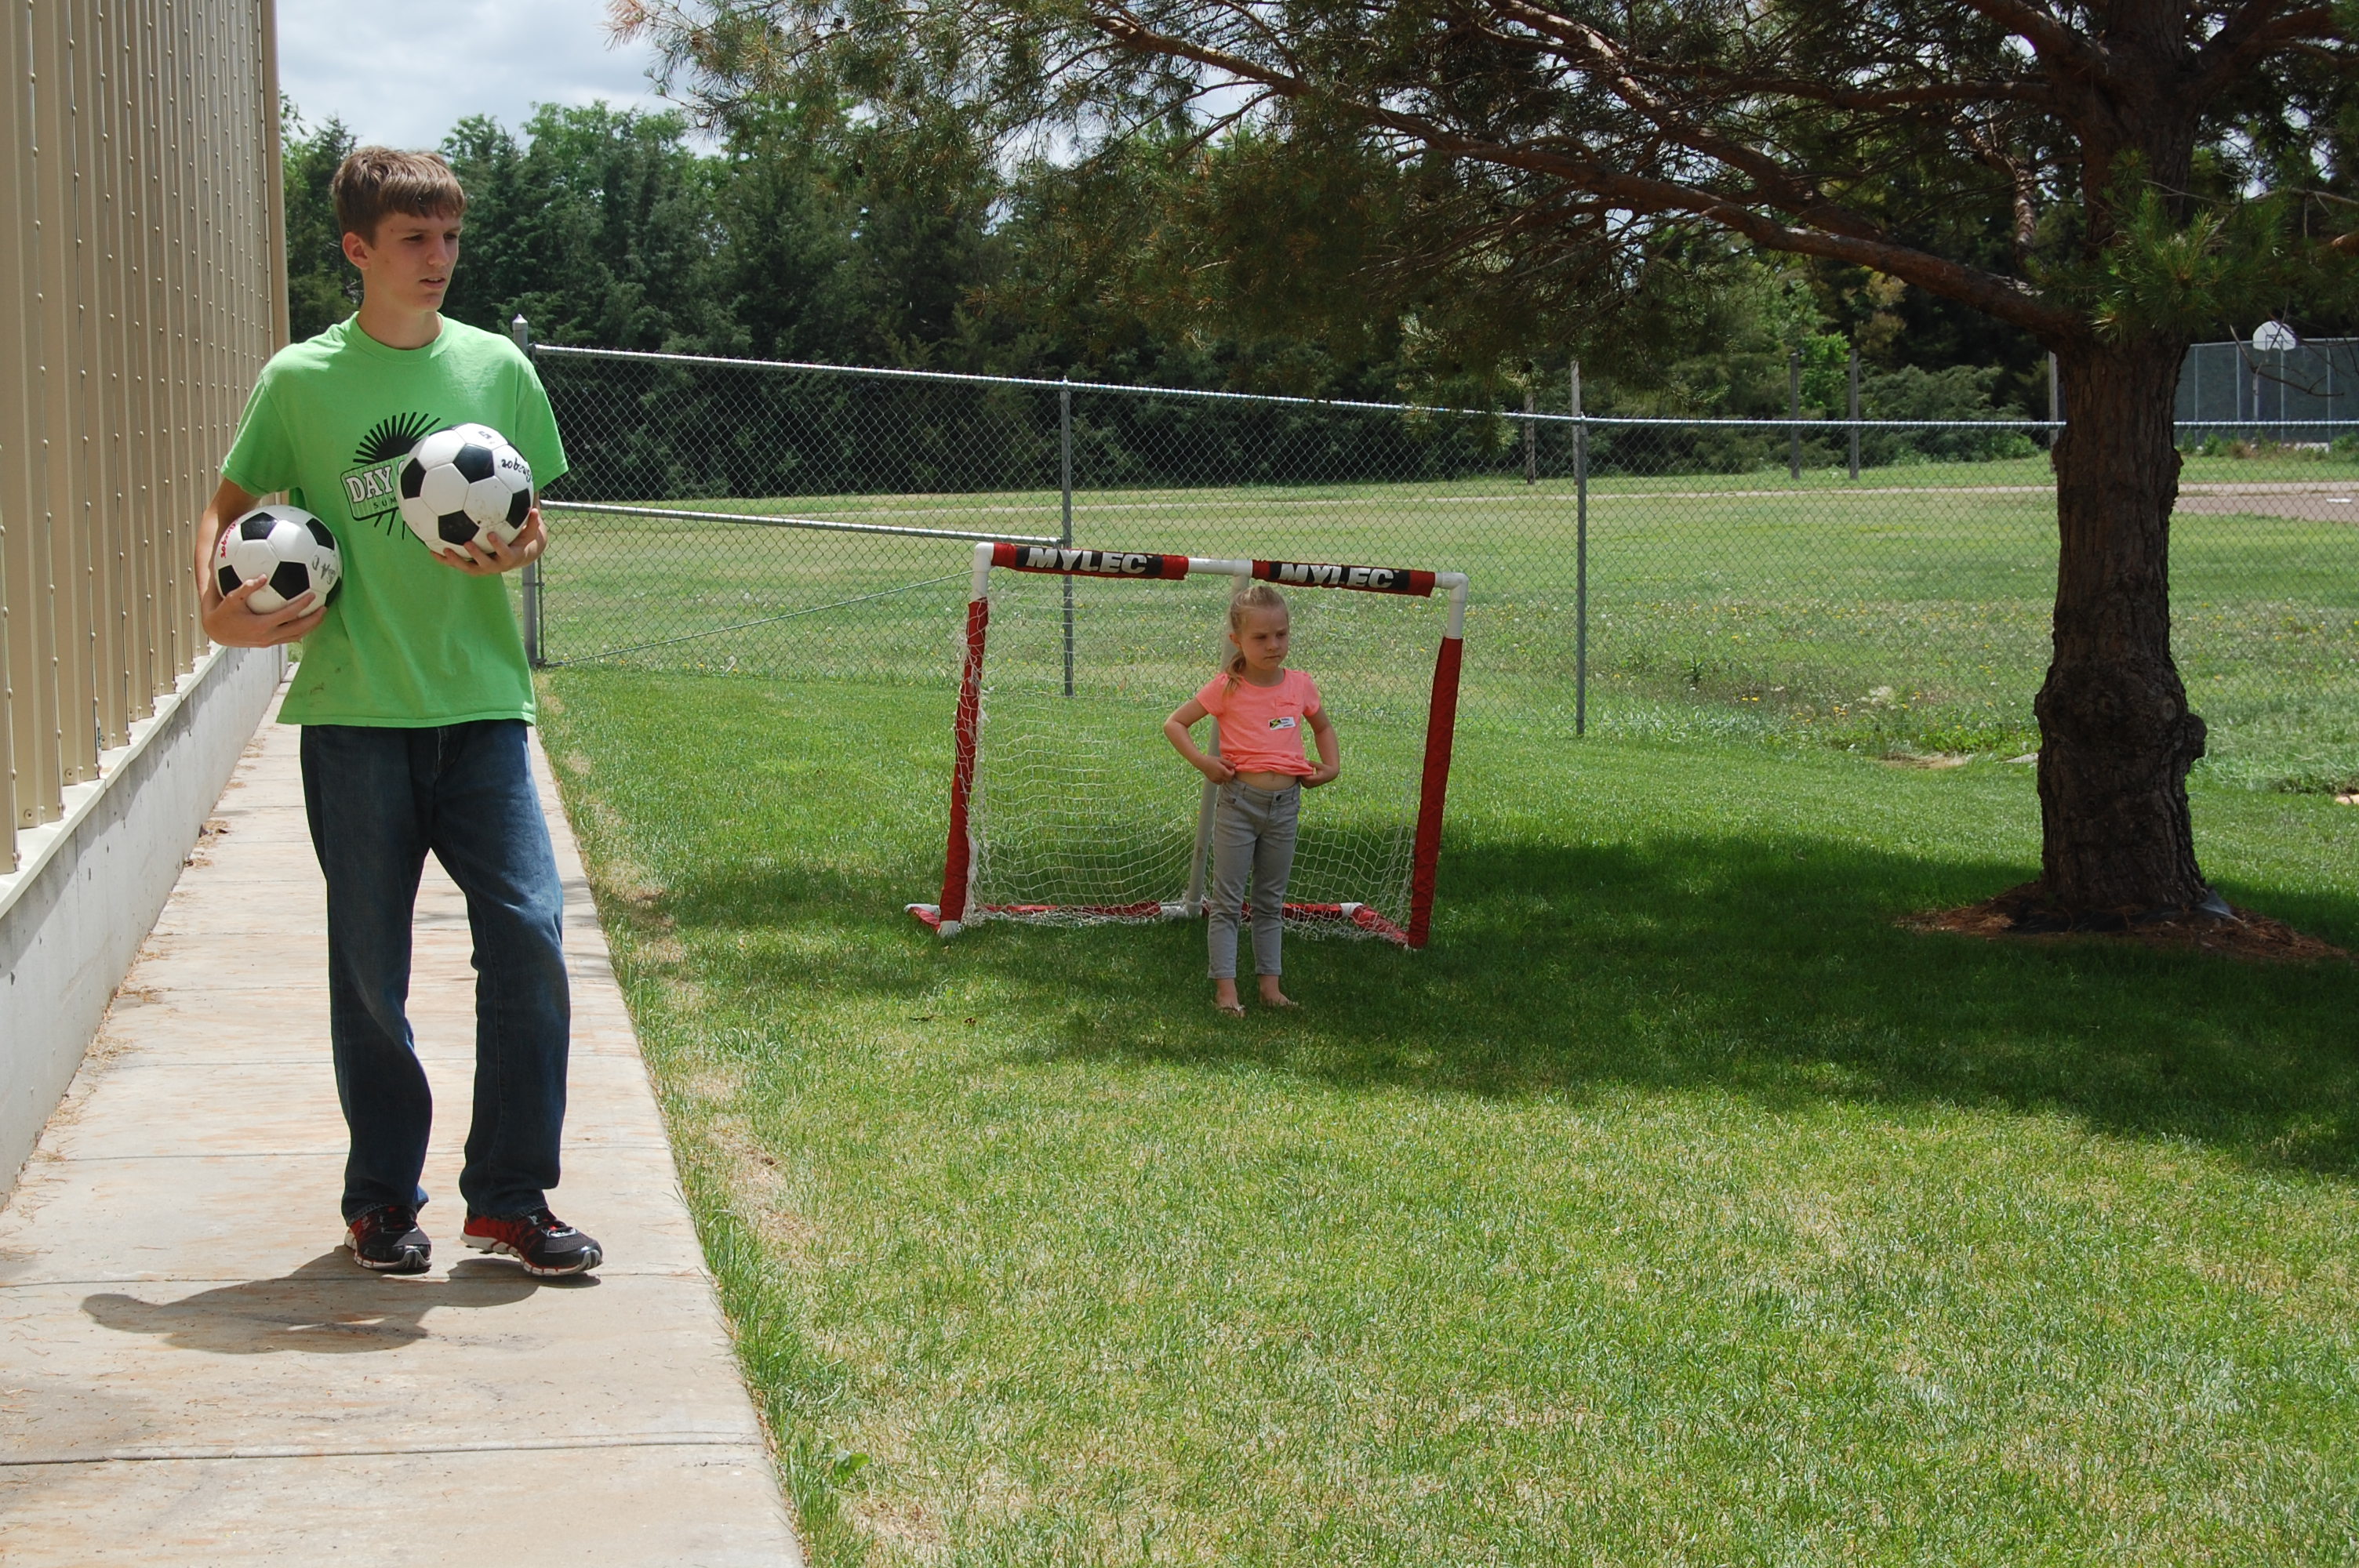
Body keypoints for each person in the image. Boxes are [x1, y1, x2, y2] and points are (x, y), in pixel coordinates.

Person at [194, 147, 600, 1278]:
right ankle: (381, 1199)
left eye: (451, 238)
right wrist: (216, 611)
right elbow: (229, 505)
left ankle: (511, 1200)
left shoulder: (498, 368)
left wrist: (519, 545)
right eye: (414, 240)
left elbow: (531, 517)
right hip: (356, 713)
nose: (439, 260)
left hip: (481, 709)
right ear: (358, 250)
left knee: (528, 936)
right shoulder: (301, 382)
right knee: (370, 968)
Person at [1163, 583, 1342, 1016]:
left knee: (1270, 900)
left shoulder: (1300, 685)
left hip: (1286, 807)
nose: (1273, 645)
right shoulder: (1227, 686)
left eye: (1281, 634)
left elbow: (1322, 727)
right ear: (1237, 641)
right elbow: (1175, 724)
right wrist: (1205, 762)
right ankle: (1226, 992)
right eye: (1260, 637)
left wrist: (1330, 766)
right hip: (1239, 805)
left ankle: (1270, 987)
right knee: (1227, 902)